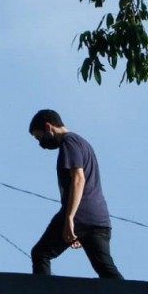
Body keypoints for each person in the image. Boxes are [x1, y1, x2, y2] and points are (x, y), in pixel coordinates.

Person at [27, 109, 122, 279]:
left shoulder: (68, 142)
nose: (40, 143)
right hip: (99, 220)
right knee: (107, 270)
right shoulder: (82, 143)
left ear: (48, 127)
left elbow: (79, 178)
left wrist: (70, 219)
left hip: (80, 216)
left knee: (40, 254)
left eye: (39, 137)